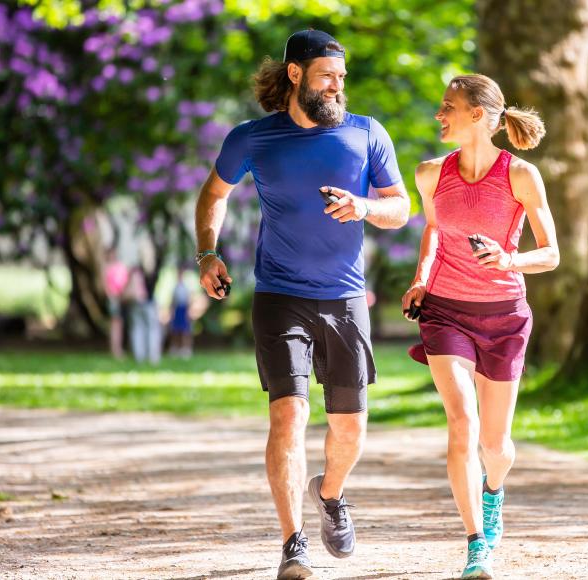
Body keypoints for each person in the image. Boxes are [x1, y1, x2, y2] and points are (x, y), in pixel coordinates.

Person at [194, 29, 409, 580]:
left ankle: (330, 494)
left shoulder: (366, 133)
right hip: (279, 295)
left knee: (350, 427)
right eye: (327, 76)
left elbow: (401, 209)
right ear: (296, 75)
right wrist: (208, 254)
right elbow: (214, 193)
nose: (338, 86)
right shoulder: (253, 138)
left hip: (344, 299)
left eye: (342, 77)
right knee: (288, 414)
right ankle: (293, 543)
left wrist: (364, 206)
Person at [401, 74, 559, 579]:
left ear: (477, 115)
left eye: (448, 107)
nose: (438, 115)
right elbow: (431, 229)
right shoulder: (430, 174)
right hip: (445, 311)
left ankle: (493, 492)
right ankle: (475, 546)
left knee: (496, 446)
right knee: (461, 423)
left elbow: (551, 253)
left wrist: (509, 261)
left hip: (504, 317)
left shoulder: (521, 175)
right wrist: (422, 278)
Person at [126, 265, 161, 365]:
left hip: (137, 303)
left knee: (138, 329)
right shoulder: (152, 269)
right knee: (151, 329)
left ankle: (140, 356)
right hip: (148, 303)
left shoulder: (136, 269)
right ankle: (152, 357)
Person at [102, 248, 129, 359]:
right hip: (113, 298)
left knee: (119, 325)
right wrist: (112, 295)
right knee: (115, 325)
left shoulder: (120, 267)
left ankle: (118, 348)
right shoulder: (106, 268)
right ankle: (115, 349)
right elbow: (105, 285)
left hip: (122, 298)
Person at [168, 267, 193, 358]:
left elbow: (188, 300)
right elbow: (172, 301)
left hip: (184, 309)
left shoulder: (185, 288)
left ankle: (186, 349)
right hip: (177, 309)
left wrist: (188, 312)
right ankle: (175, 348)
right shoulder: (175, 287)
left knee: (185, 331)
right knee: (175, 331)